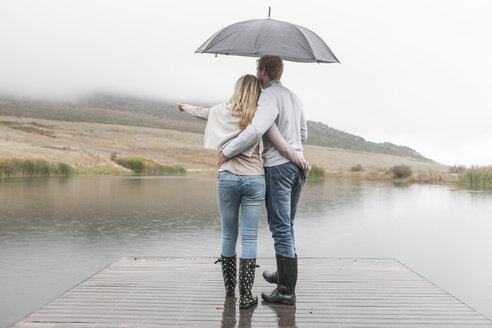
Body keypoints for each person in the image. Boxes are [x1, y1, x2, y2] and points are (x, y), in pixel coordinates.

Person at [178, 74, 310, 309]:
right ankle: (246, 296)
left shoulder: (221, 111)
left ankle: (230, 291)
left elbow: (203, 112)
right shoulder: (260, 117)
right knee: (249, 237)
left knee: (229, 236)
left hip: (227, 177)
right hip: (254, 180)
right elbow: (282, 145)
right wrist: (301, 162)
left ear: (236, 89)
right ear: (258, 92)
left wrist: (185, 107)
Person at [218, 56, 307, 305]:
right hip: (298, 168)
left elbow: (256, 130)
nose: (257, 74)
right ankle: (283, 275)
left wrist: (227, 151)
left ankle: (286, 291)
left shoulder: (268, 95)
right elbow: (303, 134)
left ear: (263, 70)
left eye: (257, 69)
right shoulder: (295, 97)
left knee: (280, 227)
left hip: (278, 169)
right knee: (287, 225)